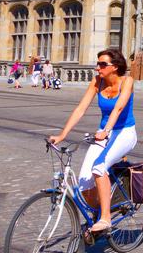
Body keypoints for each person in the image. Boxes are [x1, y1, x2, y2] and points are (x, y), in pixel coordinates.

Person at [48, 48, 136, 234]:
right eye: (98, 63)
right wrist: (62, 134)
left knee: (99, 168)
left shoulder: (127, 81)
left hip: (124, 133)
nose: (98, 67)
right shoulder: (97, 82)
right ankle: (101, 211)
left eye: (102, 64)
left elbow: (118, 108)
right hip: (104, 133)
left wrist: (106, 130)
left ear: (115, 66)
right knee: (84, 182)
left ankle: (106, 219)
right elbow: (81, 109)